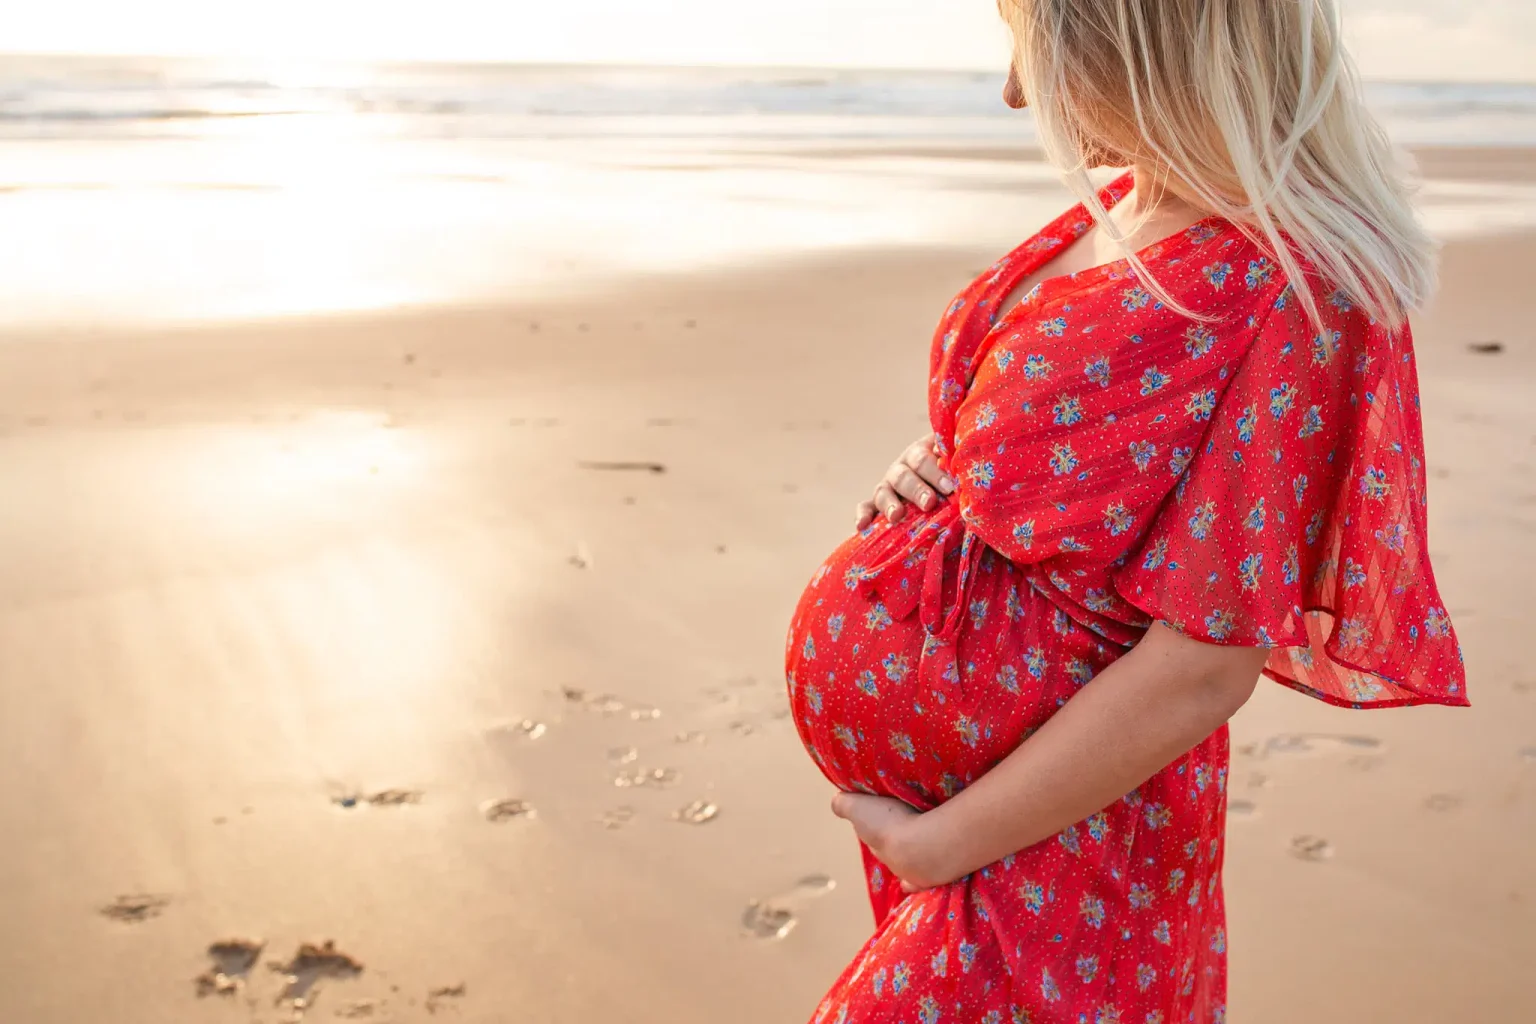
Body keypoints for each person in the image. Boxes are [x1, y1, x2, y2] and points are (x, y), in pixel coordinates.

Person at [782, 1, 1468, 1021]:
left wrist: (944, 844)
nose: (1017, 90)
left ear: (1142, 42)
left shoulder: (1299, 284)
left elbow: (1203, 665)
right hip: (976, 820)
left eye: (1035, 49)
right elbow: (1047, 452)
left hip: (1063, 842)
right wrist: (937, 467)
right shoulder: (1119, 207)